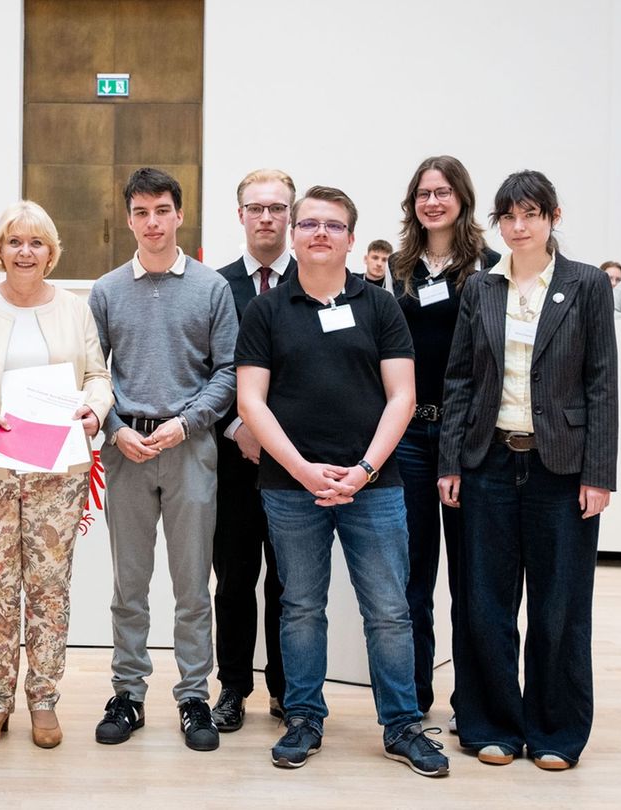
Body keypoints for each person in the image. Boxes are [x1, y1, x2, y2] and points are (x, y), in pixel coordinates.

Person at [234, 184, 447, 777]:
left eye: (333, 225)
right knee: (300, 607)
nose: (319, 233)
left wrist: (364, 470)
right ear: (294, 235)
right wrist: (303, 471)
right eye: (309, 224)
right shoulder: (266, 309)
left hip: (373, 487)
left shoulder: (380, 306)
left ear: (352, 238)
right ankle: (303, 716)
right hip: (288, 486)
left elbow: (402, 396)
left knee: (389, 611)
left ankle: (402, 724)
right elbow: (251, 400)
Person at [438, 169, 618, 771]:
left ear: (553, 218)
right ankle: (491, 723)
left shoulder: (586, 284)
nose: (519, 228)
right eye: (508, 217)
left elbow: (601, 384)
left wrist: (599, 472)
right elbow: (459, 379)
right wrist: (452, 461)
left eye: (531, 215)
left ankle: (555, 732)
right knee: (486, 600)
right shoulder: (481, 288)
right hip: (488, 461)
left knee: (559, 603)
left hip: (561, 468)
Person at [0, 200, 113, 749]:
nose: (25, 252)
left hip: (57, 467)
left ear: (51, 251)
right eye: (15, 242)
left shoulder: (74, 308)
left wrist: (95, 408)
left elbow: (97, 374)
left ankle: (44, 699)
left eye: (36, 243)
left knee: (48, 587)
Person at [87, 167, 237, 752]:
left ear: (180, 215)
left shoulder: (211, 288)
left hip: (190, 446)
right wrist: (117, 428)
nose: (153, 222)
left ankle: (194, 696)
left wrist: (185, 423)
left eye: (163, 211)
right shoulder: (105, 291)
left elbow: (227, 372)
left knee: (193, 583)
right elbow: (92, 373)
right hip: (125, 450)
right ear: (129, 219)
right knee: (129, 582)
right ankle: (128, 693)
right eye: (141, 212)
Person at [387, 155, 500, 736]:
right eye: (423, 193)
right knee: (412, 577)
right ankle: (413, 696)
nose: (433, 201)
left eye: (443, 191)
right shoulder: (399, 270)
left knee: (471, 576)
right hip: (409, 435)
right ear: (413, 203)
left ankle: (472, 701)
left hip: (470, 440)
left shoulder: (489, 267)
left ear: (462, 198)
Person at [210, 169, 294, 732]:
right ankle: (234, 688)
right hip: (232, 460)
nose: (266, 217)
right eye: (255, 207)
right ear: (239, 214)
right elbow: (205, 370)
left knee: (291, 584)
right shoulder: (216, 287)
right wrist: (237, 425)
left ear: (291, 214)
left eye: (277, 207)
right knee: (235, 580)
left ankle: (290, 692)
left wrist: (283, 442)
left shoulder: (313, 283)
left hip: (295, 465)